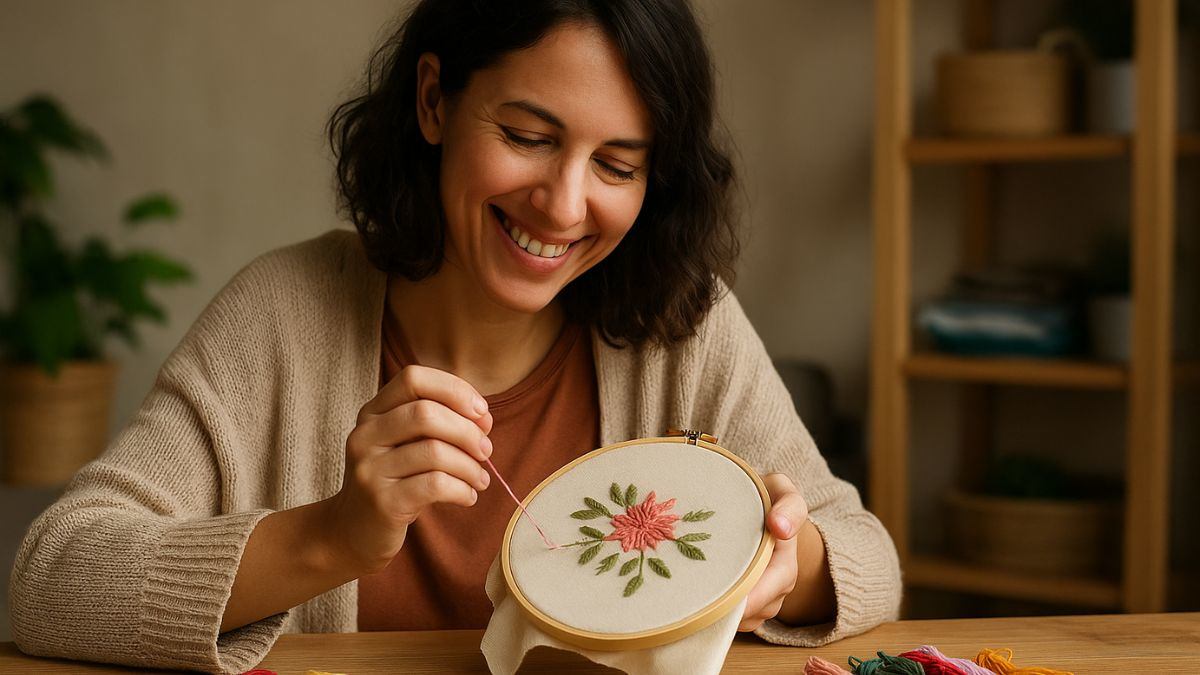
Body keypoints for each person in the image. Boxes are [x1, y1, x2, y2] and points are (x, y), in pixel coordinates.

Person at [9, 0, 901, 671]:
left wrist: (789, 564)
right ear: (435, 101)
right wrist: (333, 537)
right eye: (526, 135)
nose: (563, 203)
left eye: (617, 166)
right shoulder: (282, 316)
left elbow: (867, 556)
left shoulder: (682, 321)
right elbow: (49, 578)